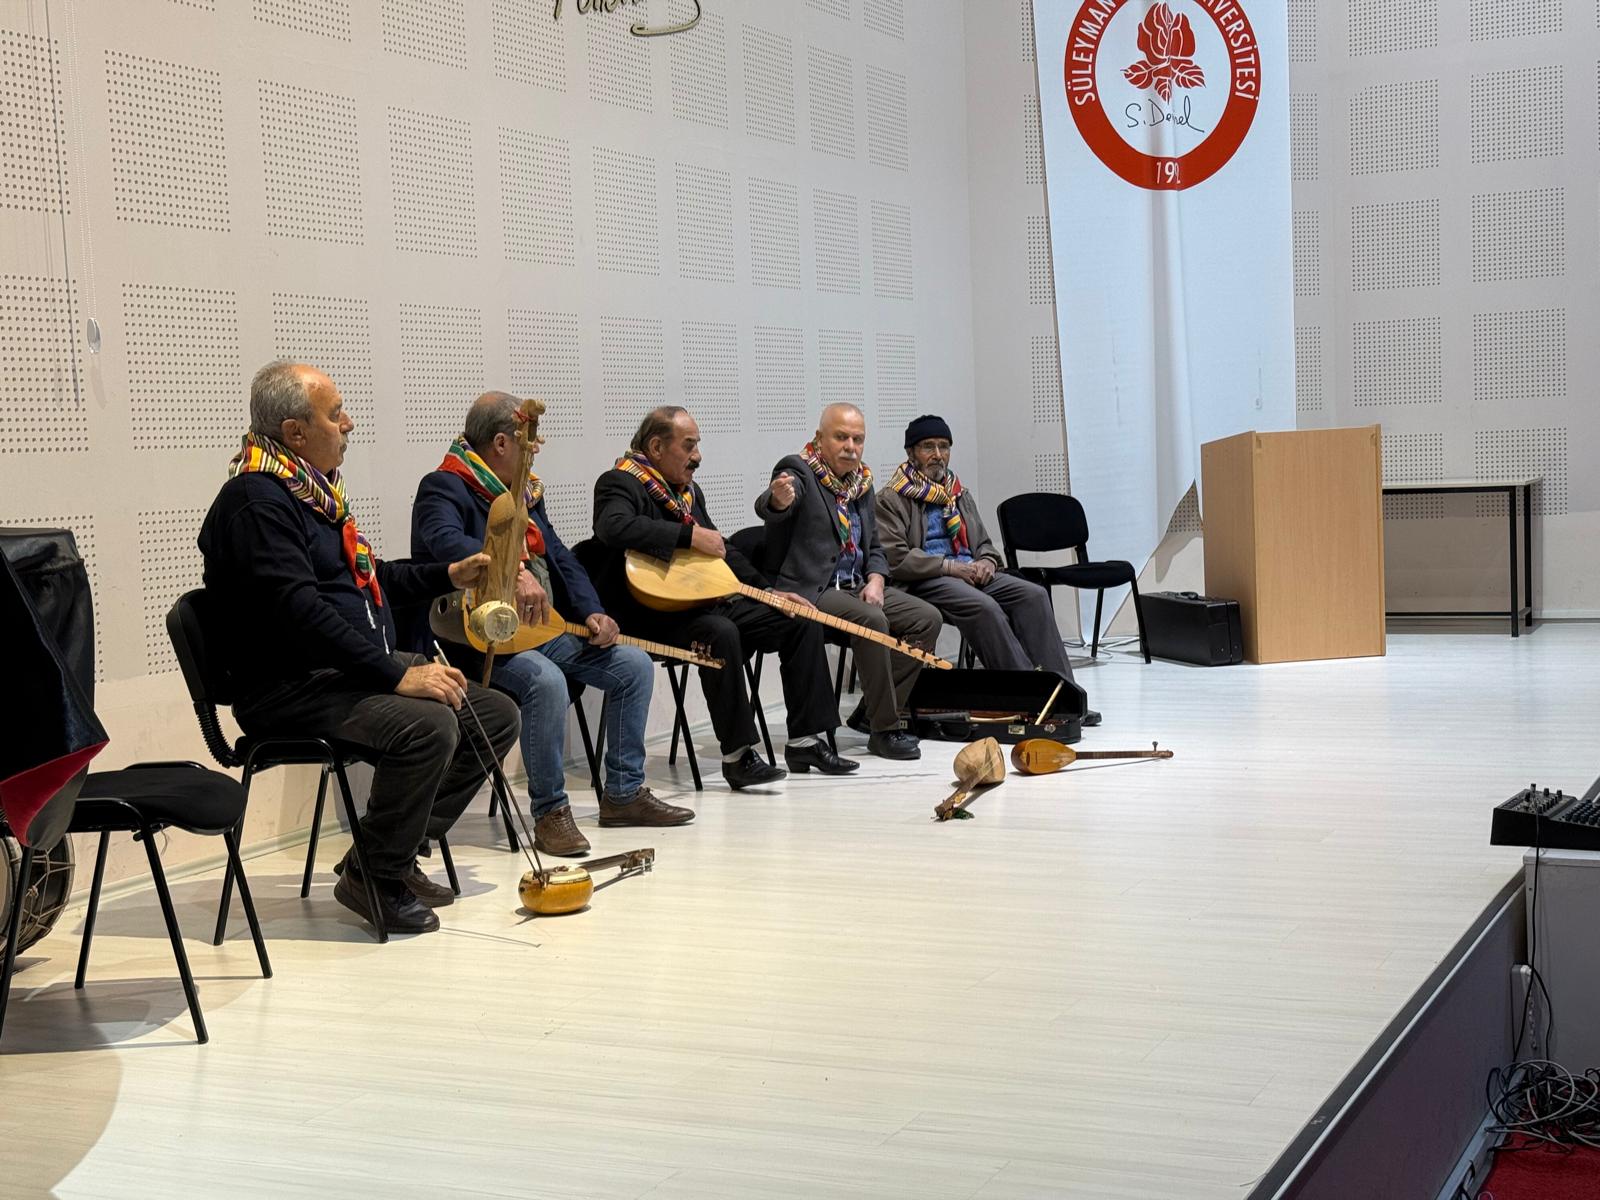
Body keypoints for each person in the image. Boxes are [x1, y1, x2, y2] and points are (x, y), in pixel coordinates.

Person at [198, 361, 520, 935]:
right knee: (429, 726)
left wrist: (447, 574)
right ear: (296, 432)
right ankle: (377, 874)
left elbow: (369, 581)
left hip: (338, 672)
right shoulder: (256, 502)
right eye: (335, 414)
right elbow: (300, 613)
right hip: (289, 687)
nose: (348, 423)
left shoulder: (309, 493)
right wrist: (395, 675)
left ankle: (385, 852)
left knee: (493, 714)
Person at [410, 391, 691, 858]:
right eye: (528, 442)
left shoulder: (527, 493)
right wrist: (509, 571)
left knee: (633, 666)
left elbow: (558, 555)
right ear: (502, 443)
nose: (535, 450)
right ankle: (550, 813)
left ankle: (624, 794)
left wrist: (593, 611)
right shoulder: (444, 486)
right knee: (546, 681)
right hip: (480, 639)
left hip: (540, 629)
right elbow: (445, 542)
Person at [585, 406, 858, 787]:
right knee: (720, 632)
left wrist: (769, 593)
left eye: (697, 445)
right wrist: (688, 536)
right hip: (648, 614)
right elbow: (612, 527)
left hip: (699, 603)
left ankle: (805, 741)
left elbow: (721, 549)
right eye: (689, 445)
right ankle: (738, 756)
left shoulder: (687, 493)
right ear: (657, 447)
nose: (697, 456)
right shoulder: (619, 482)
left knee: (798, 618)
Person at [875, 414, 1098, 725]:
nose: (938, 455)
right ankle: (1029, 698)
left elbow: (984, 544)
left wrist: (987, 562)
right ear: (911, 452)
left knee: (1033, 595)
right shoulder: (891, 498)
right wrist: (950, 567)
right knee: (984, 607)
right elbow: (897, 559)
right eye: (928, 447)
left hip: (970, 572)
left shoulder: (957, 493)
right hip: (929, 578)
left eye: (944, 447)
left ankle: (1064, 696)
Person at [754, 403, 942, 760]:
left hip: (856, 584)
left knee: (926, 618)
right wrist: (777, 500)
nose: (851, 447)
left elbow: (875, 547)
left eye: (858, 439)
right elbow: (772, 505)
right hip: (813, 589)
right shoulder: (798, 470)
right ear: (819, 438)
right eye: (841, 437)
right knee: (871, 620)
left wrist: (876, 579)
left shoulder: (861, 483)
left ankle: (870, 713)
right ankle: (885, 730)